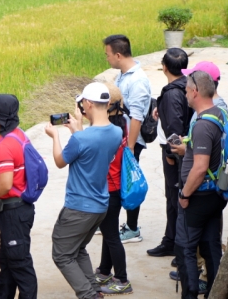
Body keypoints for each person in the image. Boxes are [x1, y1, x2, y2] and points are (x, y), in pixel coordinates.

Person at [46, 82, 122, 299]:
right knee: (77, 249)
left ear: (88, 104)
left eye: (82, 103)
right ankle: (94, 291)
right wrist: (77, 130)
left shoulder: (81, 138)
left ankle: (88, 295)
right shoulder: (116, 132)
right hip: (100, 205)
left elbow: (61, 161)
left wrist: (56, 136)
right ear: (107, 104)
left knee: (61, 254)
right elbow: (93, 147)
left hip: (78, 207)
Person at [172, 71, 228, 299]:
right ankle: (216, 293)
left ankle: (190, 294)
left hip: (198, 196)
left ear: (195, 92)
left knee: (185, 248)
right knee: (210, 245)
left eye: (186, 90)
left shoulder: (202, 125)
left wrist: (185, 194)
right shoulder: (220, 114)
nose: (185, 94)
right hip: (215, 195)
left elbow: (199, 167)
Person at [0, 94, 38, 299]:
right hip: (18, 211)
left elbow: (5, 184)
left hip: (14, 212)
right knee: (8, 262)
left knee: (20, 264)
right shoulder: (19, 134)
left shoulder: (5, 145)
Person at [104, 34, 152, 243]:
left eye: (107, 55)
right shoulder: (123, 75)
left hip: (130, 142)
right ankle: (108, 222)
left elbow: (137, 117)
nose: (106, 59)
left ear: (118, 54)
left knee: (129, 183)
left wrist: (130, 147)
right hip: (119, 139)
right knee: (114, 181)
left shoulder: (138, 80)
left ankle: (132, 228)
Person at [147, 48, 194, 259]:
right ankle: (171, 240)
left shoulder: (173, 92)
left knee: (176, 199)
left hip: (177, 155)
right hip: (184, 153)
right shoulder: (186, 85)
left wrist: (170, 153)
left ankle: (179, 248)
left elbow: (175, 128)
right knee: (174, 199)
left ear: (164, 66)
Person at [94, 83, 133, 295]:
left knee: (111, 236)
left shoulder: (108, 131)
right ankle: (104, 270)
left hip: (109, 189)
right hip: (115, 188)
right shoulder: (121, 124)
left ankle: (122, 279)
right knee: (109, 232)